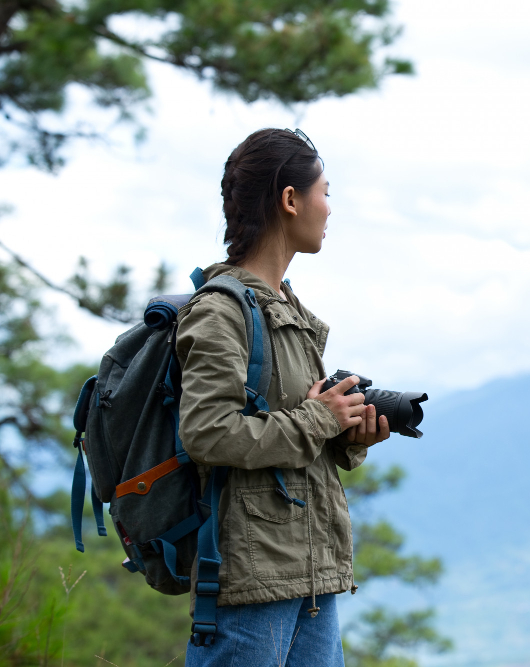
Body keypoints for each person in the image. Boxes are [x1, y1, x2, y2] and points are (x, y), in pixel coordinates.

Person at [177, 128, 389, 666]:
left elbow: (297, 430)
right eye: (324, 191)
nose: (330, 208)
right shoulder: (221, 311)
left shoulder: (285, 310)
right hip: (251, 578)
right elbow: (207, 432)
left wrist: (346, 434)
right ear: (290, 200)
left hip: (309, 575)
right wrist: (319, 420)